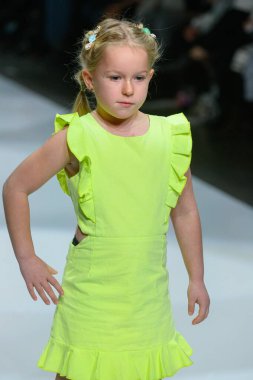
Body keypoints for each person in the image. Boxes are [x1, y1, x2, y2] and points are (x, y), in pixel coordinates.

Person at [2, 17, 210, 380]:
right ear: (90, 80)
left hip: (146, 292)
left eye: (139, 78)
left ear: (150, 76)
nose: (128, 89)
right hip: (91, 291)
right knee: (80, 369)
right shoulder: (76, 136)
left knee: (142, 369)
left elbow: (186, 211)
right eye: (115, 78)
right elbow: (15, 187)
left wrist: (197, 278)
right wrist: (27, 258)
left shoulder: (169, 137)